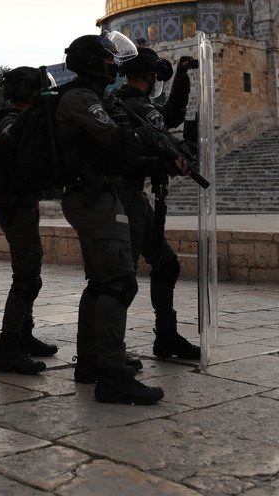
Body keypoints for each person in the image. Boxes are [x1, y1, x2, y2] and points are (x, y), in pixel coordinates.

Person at [55, 32, 176, 405]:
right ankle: (112, 374)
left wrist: (159, 160)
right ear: (94, 63)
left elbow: (118, 152)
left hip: (93, 194)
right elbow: (119, 144)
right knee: (119, 283)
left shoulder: (93, 98)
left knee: (101, 282)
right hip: (92, 198)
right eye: (109, 59)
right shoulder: (80, 99)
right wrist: (146, 136)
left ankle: (91, 362)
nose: (115, 65)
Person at [109, 45, 201, 361]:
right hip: (125, 198)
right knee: (120, 277)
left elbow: (168, 119)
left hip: (130, 197)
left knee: (165, 263)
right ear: (150, 77)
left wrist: (183, 77)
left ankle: (166, 337)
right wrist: (162, 164)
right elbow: (132, 154)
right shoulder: (137, 108)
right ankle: (109, 351)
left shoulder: (122, 104)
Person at [0, 66, 59, 375]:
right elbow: (10, 150)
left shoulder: (20, 120)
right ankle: (7, 350)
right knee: (25, 278)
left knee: (32, 276)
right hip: (15, 204)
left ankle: (24, 336)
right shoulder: (12, 121)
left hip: (20, 203)